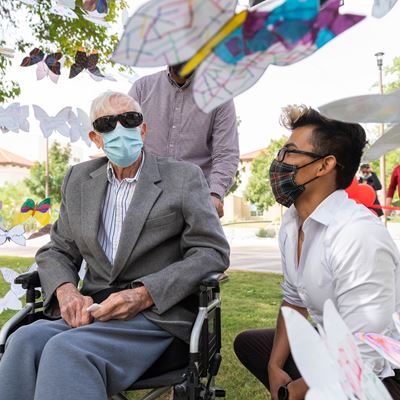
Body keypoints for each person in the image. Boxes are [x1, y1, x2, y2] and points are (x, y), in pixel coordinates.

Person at [0, 91, 230, 400]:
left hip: (154, 315)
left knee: (66, 350)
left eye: (129, 119)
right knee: (23, 341)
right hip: (93, 309)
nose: (120, 129)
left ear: (143, 129)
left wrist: (143, 294)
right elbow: (58, 249)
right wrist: (66, 291)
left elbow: (212, 251)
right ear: (96, 137)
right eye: (108, 123)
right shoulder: (78, 179)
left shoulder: (183, 178)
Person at [234, 105, 400, 399]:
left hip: (383, 371)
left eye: (289, 152)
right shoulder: (292, 222)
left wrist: (293, 390)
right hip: (333, 345)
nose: (278, 162)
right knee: (250, 344)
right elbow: (294, 300)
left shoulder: (356, 234)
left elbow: (362, 351)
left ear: (324, 165)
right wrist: (274, 366)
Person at [129, 64, 240, 218]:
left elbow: (225, 152)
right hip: (146, 196)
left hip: (196, 200)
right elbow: (127, 141)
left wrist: (215, 194)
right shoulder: (142, 88)